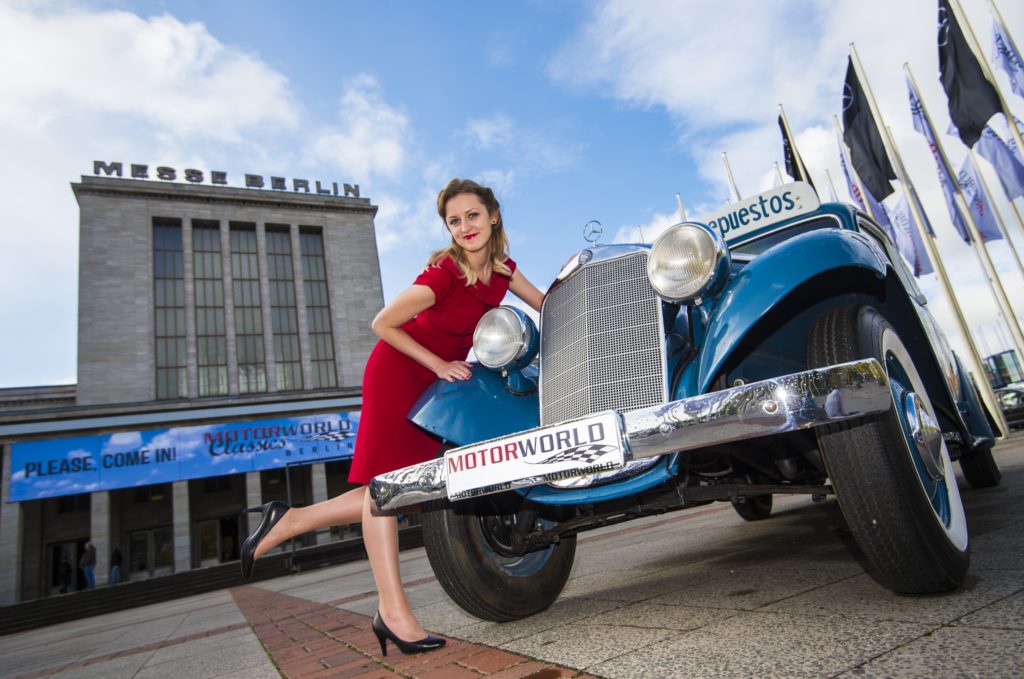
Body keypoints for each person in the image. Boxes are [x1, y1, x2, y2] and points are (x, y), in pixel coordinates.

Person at [240, 178, 544, 656]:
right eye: (455, 220)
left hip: (435, 383)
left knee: (399, 490)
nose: (465, 227)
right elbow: (382, 323)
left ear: (493, 216)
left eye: (473, 216)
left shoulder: (504, 271)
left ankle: (290, 521)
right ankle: (393, 613)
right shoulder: (444, 273)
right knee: (386, 490)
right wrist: (439, 364)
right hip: (401, 371)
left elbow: (545, 304)